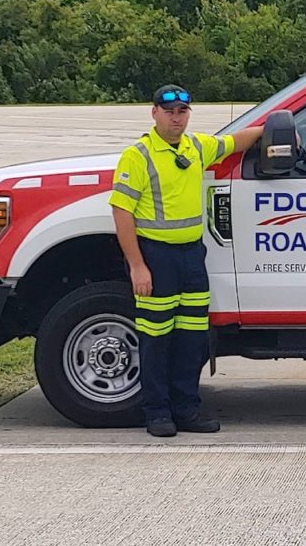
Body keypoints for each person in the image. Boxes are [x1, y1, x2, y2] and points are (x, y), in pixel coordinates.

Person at [109, 85, 263, 437]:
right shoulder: (139, 155)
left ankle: (187, 411)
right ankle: (158, 414)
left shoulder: (195, 147)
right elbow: (121, 211)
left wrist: (277, 127)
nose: (176, 118)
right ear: (154, 113)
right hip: (156, 257)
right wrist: (137, 265)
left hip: (192, 256)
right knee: (156, 339)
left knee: (192, 341)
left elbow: (235, 142)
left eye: (182, 112)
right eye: (170, 112)